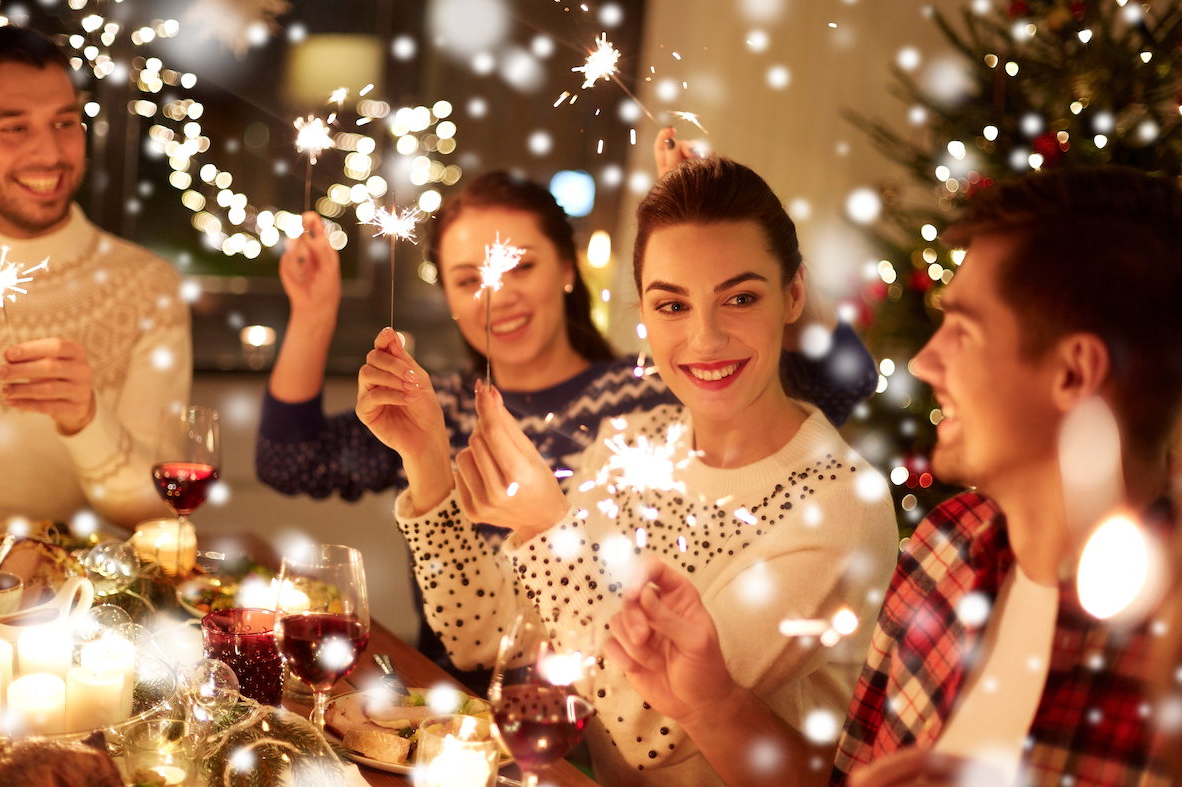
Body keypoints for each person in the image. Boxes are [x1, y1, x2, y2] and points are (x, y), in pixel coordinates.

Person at [605, 166, 1182, 787]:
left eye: (963, 330)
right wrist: (709, 702)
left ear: (1073, 374)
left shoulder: (1160, 655)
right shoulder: (944, 551)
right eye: (671, 302)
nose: (928, 359)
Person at [256, 143, 880, 691]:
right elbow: (288, 460)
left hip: (598, 709)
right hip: (460, 697)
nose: (498, 295)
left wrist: (709, 239)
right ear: (445, 294)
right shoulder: (435, 405)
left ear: (566, 266)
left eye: (520, 265)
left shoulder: (649, 393)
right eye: (469, 278)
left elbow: (839, 379)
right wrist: (313, 315)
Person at [361, 157, 899, 785]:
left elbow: (654, 726)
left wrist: (545, 527)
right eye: (673, 305)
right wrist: (426, 461)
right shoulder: (634, 442)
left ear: (794, 295)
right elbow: (484, 635)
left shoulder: (835, 503)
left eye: (741, 297)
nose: (705, 338)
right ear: (642, 311)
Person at [0, 27, 190, 528]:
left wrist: (86, 420)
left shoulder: (145, 289)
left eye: (64, 122)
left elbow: (156, 513)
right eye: (14, 127)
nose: (51, 153)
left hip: (75, 596)